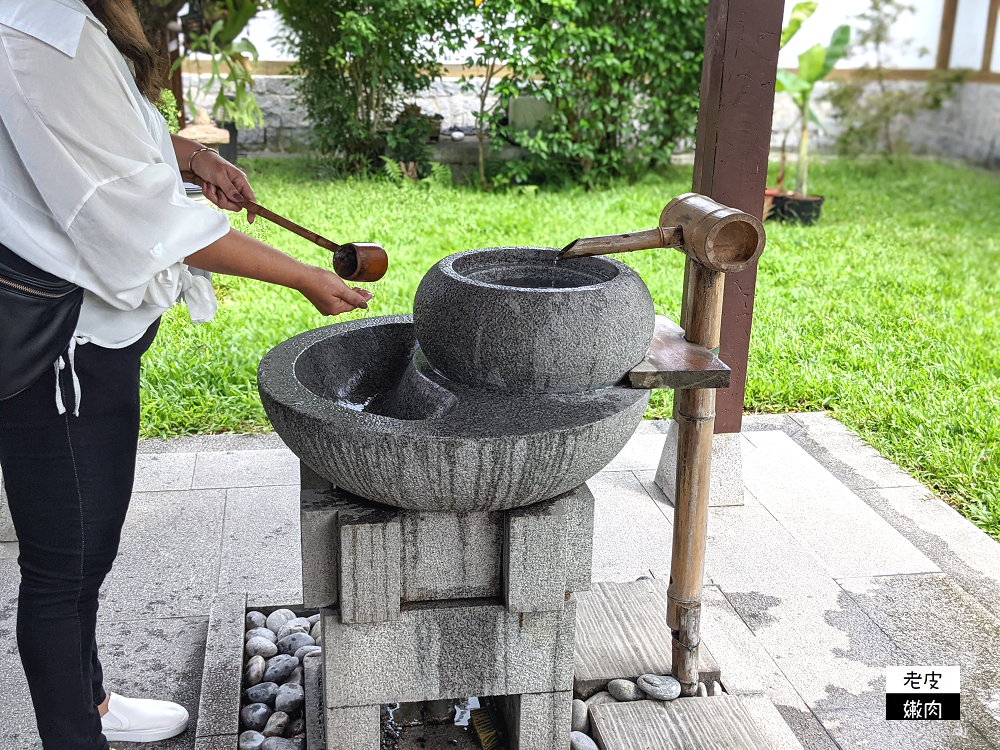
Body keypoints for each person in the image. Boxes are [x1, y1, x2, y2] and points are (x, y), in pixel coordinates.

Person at [0, 1, 373, 747]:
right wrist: (302, 277)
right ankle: (77, 732)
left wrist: (194, 158)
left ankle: (93, 700)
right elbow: (141, 219)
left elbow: (108, 141)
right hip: (60, 345)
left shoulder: (58, 20)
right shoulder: (35, 32)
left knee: (86, 550)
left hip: (89, 330)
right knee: (62, 566)